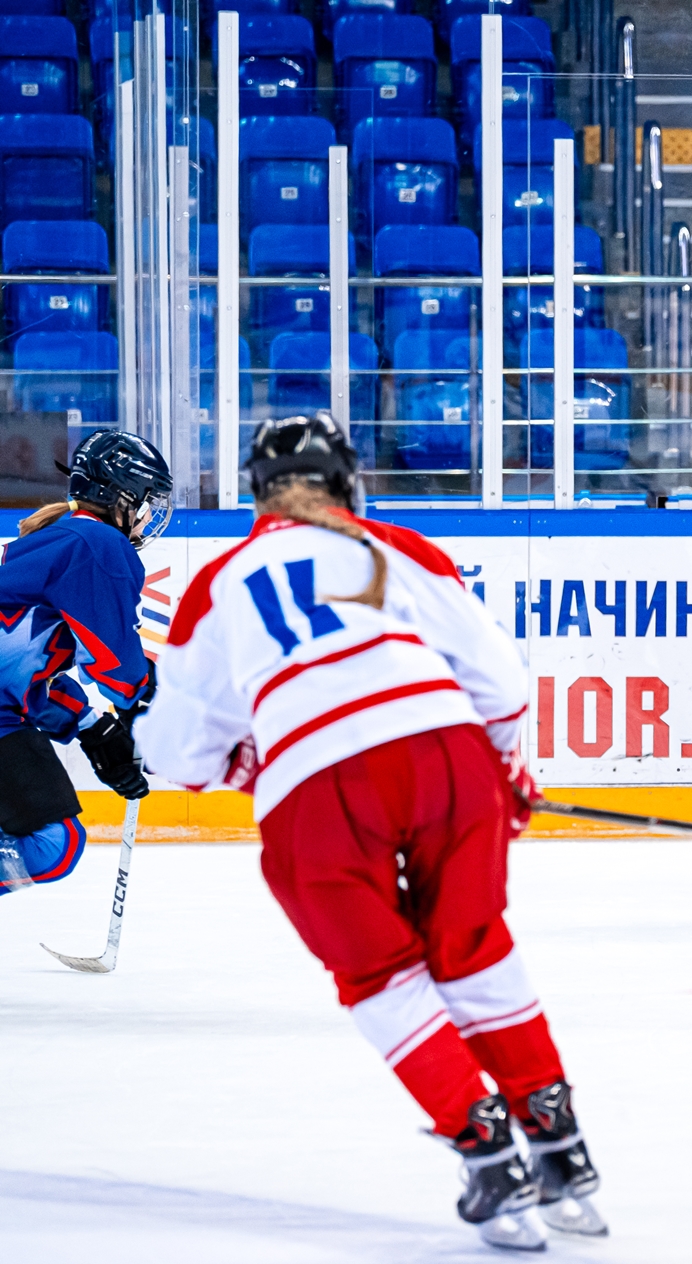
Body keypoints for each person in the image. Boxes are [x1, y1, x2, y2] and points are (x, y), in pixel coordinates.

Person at [136, 414, 603, 1252]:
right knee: (474, 943)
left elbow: (174, 752)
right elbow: (500, 681)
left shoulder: (221, 580)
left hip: (312, 790)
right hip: (443, 751)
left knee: (381, 975)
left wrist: (246, 762)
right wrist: (501, 772)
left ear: (258, 492)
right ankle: (560, 1144)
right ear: (347, 481)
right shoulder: (394, 547)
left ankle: (487, 1151)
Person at [0, 430, 168, 896]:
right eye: (146, 500)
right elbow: (114, 659)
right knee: (51, 843)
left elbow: (25, 676)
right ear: (117, 494)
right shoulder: (97, 544)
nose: (149, 515)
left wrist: (94, 728)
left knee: (55, 842)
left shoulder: (63, 540)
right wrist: (139, 708)